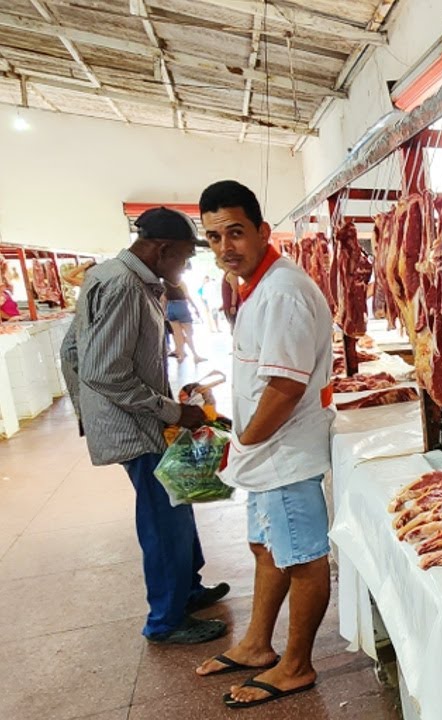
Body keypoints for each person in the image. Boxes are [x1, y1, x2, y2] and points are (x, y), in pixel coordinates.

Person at [59, 207, 230, 645]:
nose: (186, 267)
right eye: (186, 257)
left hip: (138, 415)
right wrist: (170, 412)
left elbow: (79, 351)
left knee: (177, 501)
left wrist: (165, 397)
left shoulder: (120, 277)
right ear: (163, 249)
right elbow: (104, 371)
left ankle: (187, 591)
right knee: (163, 518)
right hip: (134, 427)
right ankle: (166, 620)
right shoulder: (123, 286)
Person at [195, 180, 335, 709]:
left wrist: (245, 441)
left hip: (284, 451)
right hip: (265, 453)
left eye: (235, 232)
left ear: (261, 231)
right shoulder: (256, 286)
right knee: (266, 547)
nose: (225, 246)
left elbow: (284, 387)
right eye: (213, 237)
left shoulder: (282, 291)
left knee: (302, 557)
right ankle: (257, 645)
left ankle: (296, 665)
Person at [165, 277, 205, 363]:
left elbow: (164, 299)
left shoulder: (164, 283)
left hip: (170, 307)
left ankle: (181, 356)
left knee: (177, 335)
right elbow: (187, 296)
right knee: (189, 334)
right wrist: (195, 308)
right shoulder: (180, 282)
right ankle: (195, 356)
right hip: (182, 307)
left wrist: (164, 312)